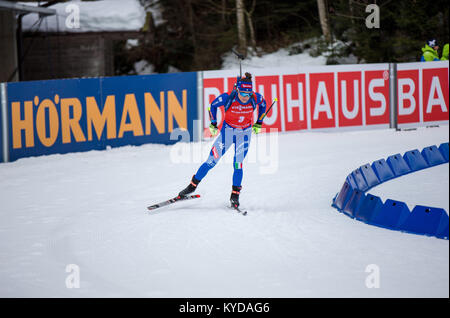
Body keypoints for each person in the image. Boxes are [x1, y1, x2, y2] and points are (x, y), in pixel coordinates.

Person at [178, 72, 267, 208]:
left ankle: (235, 196)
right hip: (227, 133)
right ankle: (192, 186)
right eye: (243, 94)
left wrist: (259, 122)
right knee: (211, 161)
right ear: (237, 90)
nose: (245, 97)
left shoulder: (255, 97)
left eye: (248, 94)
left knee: (238, 164)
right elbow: (213, 106)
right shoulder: (228, 97)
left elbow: (264, 104)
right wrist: (213, 123)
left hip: (244, 134)